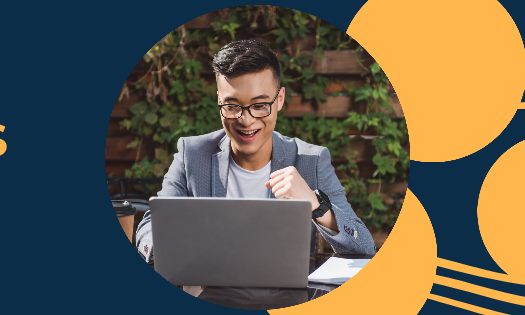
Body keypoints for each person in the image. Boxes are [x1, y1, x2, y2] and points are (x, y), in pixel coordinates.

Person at [135, 38, 376, 308]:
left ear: (280, 99)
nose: (246, 120)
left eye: (260, 105)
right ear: (219, 101)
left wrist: (318, 206)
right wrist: (176, 254)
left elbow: (364, 246)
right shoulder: (192, 154)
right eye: (232, 106)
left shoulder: (311, 160)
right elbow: (147, 229)